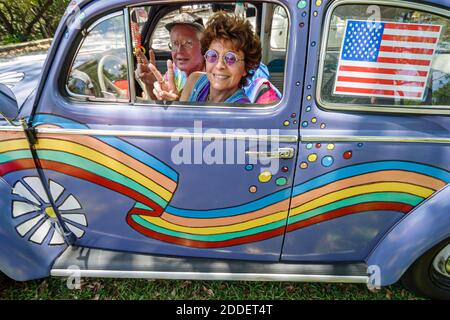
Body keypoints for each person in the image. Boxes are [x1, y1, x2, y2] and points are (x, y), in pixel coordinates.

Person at [152, 12, 281, 104]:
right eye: (213, 56)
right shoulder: (194, 80)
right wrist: (173, 103)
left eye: (231, 58)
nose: (219, 65)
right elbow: (178, 125)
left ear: (245, 68)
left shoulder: (242, 110)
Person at [135, 12, 205, 99]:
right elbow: (162, 100)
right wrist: (150, 84)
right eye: (175, 43)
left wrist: (177, 102)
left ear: (203, 46)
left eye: (188, 43)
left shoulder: (211, 76)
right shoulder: (175, 70)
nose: (179, 50)